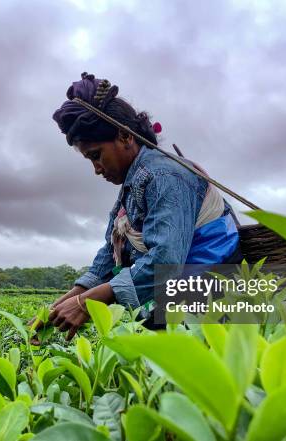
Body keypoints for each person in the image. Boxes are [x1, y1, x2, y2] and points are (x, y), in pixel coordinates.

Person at [43, 73, 241, 340]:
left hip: (209, 300)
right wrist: (58, 307)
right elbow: (109, 254)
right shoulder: (132, 185)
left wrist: (87, 303)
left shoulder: (164, 176)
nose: (96, 169)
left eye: (96, 155)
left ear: (125, 136)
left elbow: (166, 262)